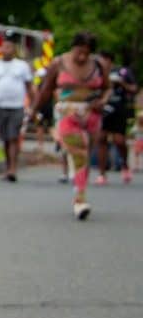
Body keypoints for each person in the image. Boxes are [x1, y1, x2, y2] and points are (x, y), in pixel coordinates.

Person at [29, 31, 111, 219]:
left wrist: (102, 100)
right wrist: (34, 110)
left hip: (92, 114)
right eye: (79, 52)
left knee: (85, 156)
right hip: (68, 113)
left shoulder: (98, 65)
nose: (82, 57)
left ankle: (79, 189)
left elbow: (107, 88)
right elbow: (46, 90)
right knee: (79, 153)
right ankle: (80, 200)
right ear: (72, 48)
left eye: (86, 53)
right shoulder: (59, 63)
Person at [0, 30, 35, 182]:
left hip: (17, 106)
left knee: (13, 137)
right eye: (4, 47)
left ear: (14, 49)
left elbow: (29, 87)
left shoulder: (22, 66)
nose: (6, 50)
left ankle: (13, 169)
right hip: (1, 106)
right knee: (4, 138)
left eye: (9, 47)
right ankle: (7, 166)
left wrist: (34, 106)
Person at [95, 51, 137, 184]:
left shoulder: (122, 72)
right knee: (101, 139)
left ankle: (125, 165)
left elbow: (134, 89)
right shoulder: (96, 72)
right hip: (103, 109)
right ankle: (102, 173)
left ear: (109, 60)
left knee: (119, 140)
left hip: (119, 109)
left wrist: (122, 83)